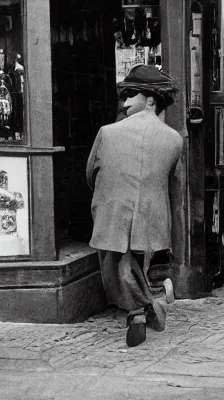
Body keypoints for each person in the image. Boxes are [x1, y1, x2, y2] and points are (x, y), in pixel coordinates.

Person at [86, 65, 182, 347]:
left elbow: (91, 174)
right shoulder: (174, 139)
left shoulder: (107, 132)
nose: (125, 102)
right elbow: (171, 180)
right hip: (152, 218)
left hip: (113, 213)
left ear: (150, 99)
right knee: (133, 265)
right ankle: (151, 304)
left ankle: (143, 309)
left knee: (119, 269)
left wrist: (107, 196)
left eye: (130, 95)